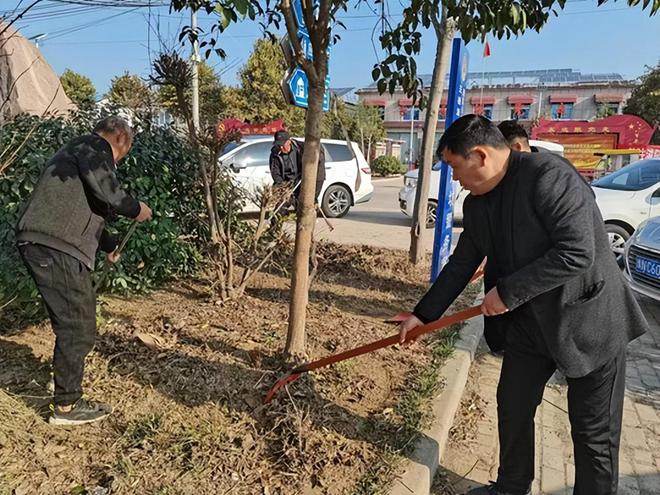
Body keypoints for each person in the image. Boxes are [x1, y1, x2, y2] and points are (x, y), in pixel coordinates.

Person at [398, 114, 647, 495]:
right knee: (513, 408)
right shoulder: (480, 204)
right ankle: (512, 486)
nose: (455, 179)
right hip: (530, 328)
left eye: (454, 167)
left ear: (480, 155)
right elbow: (463, 262)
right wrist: (422, 315)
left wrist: (508, 292)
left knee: (593, 433)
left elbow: (576, 251)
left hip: (588, 320)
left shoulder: (549, 176)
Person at [16, 116, 152, 426]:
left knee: (73, 318)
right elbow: (109, 194)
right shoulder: (93, 147)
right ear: (120, 138)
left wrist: (109, 246)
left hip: (48, 242)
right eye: (124, 152)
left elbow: (92, 207)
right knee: (78, 323)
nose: (119, 161)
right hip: (55, 244)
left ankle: (63, 382)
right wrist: (135, 208)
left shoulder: (77, 155)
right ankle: (67, 405)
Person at [269, 130, 326, 207]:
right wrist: (283, 187)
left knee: (302, 206)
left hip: (302, 180)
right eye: (278, 145)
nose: (280, 147)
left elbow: (318, 152)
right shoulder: (275, 155)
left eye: (282, 145)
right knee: (281, 206)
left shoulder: (302, 148)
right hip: (287, 183)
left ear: (289, 141)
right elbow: (275, 174)